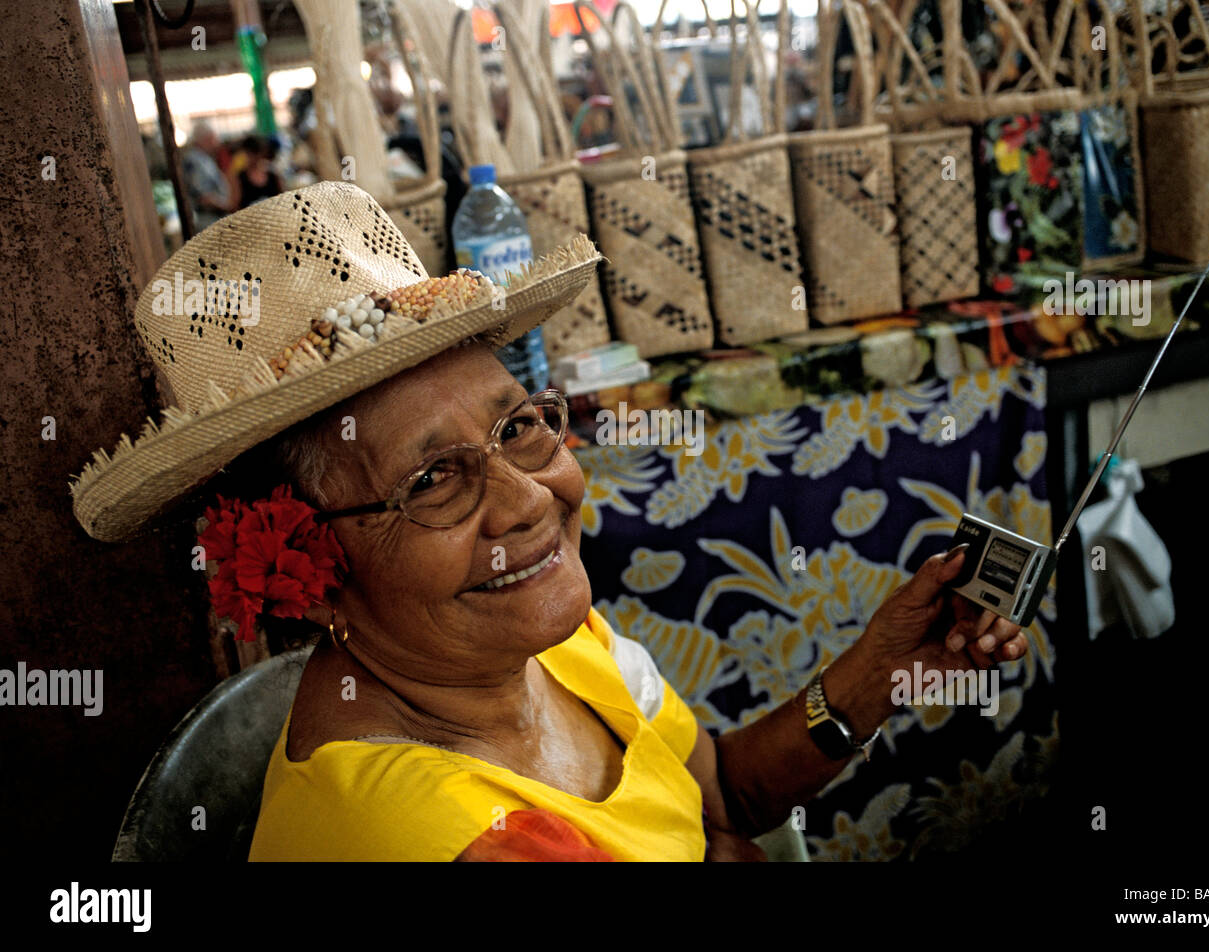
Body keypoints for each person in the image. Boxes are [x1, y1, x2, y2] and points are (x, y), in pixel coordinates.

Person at [72, 182, 1027, 861]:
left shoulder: (543, 646)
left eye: (519, 428)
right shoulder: (430, 839)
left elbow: (720, 794)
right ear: (309, 567)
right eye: (436, 480)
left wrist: (881, 672)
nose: (532, 497)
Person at [181, 121, 237, 229]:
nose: (216, 143)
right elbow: (202, 196)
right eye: (213, 139)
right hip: (208, 220)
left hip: (215, 218)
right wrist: (227, 206)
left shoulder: (204, 158)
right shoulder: (194, 160)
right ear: (204, 139)